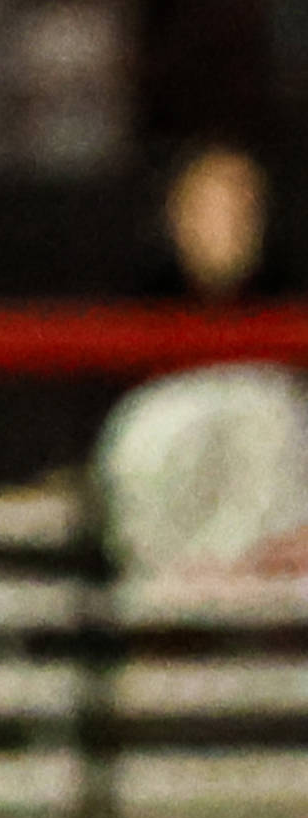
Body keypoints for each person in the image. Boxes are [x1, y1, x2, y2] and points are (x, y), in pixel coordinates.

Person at [97, 139, 308, 583]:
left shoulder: (291, 320)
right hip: (168, 582)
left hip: (279, 586)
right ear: (176, 215)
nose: (226, 222)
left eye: (241, 206)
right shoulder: (129, 326)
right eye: (209, 205)